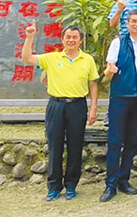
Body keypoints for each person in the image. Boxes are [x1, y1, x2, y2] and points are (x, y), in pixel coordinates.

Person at [21, 22, 98, 201]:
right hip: (56, 105)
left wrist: (93, 108)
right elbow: (26, 58)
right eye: (68, 37)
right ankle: (54, 187)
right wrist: (30, 37)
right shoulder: (52, 58)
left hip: (78, 106)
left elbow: (93, 84)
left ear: (81, 41)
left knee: (75, 146)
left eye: (75, 37)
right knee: (55, 146)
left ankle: (71, 185)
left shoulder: (87, 60)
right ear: (62, 40)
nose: (71, 40)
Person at [99, 9, 137, 203]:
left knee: (132, 142)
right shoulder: (118, 43)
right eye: (133, 21)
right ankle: (110, 184)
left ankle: (124, 180)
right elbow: (108, 71)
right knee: (115, 141)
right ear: (127, 23)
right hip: (120, 97)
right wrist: (110, 71)